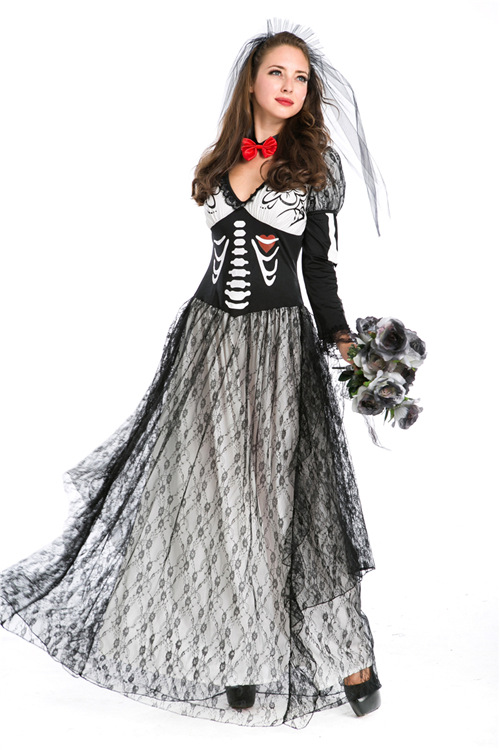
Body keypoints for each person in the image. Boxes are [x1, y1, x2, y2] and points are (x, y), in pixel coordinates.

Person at [0, 22, 387, 729]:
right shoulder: (218, 161)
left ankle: (350, 659)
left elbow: (319, 271)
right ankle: (239, 655)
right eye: (277, 73)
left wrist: (341, 338)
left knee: (289, 502)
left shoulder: (316, 167)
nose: (290, 87)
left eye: (301, 78)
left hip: (276, 350)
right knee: (211, 498)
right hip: (206, 345)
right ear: (252, 82)